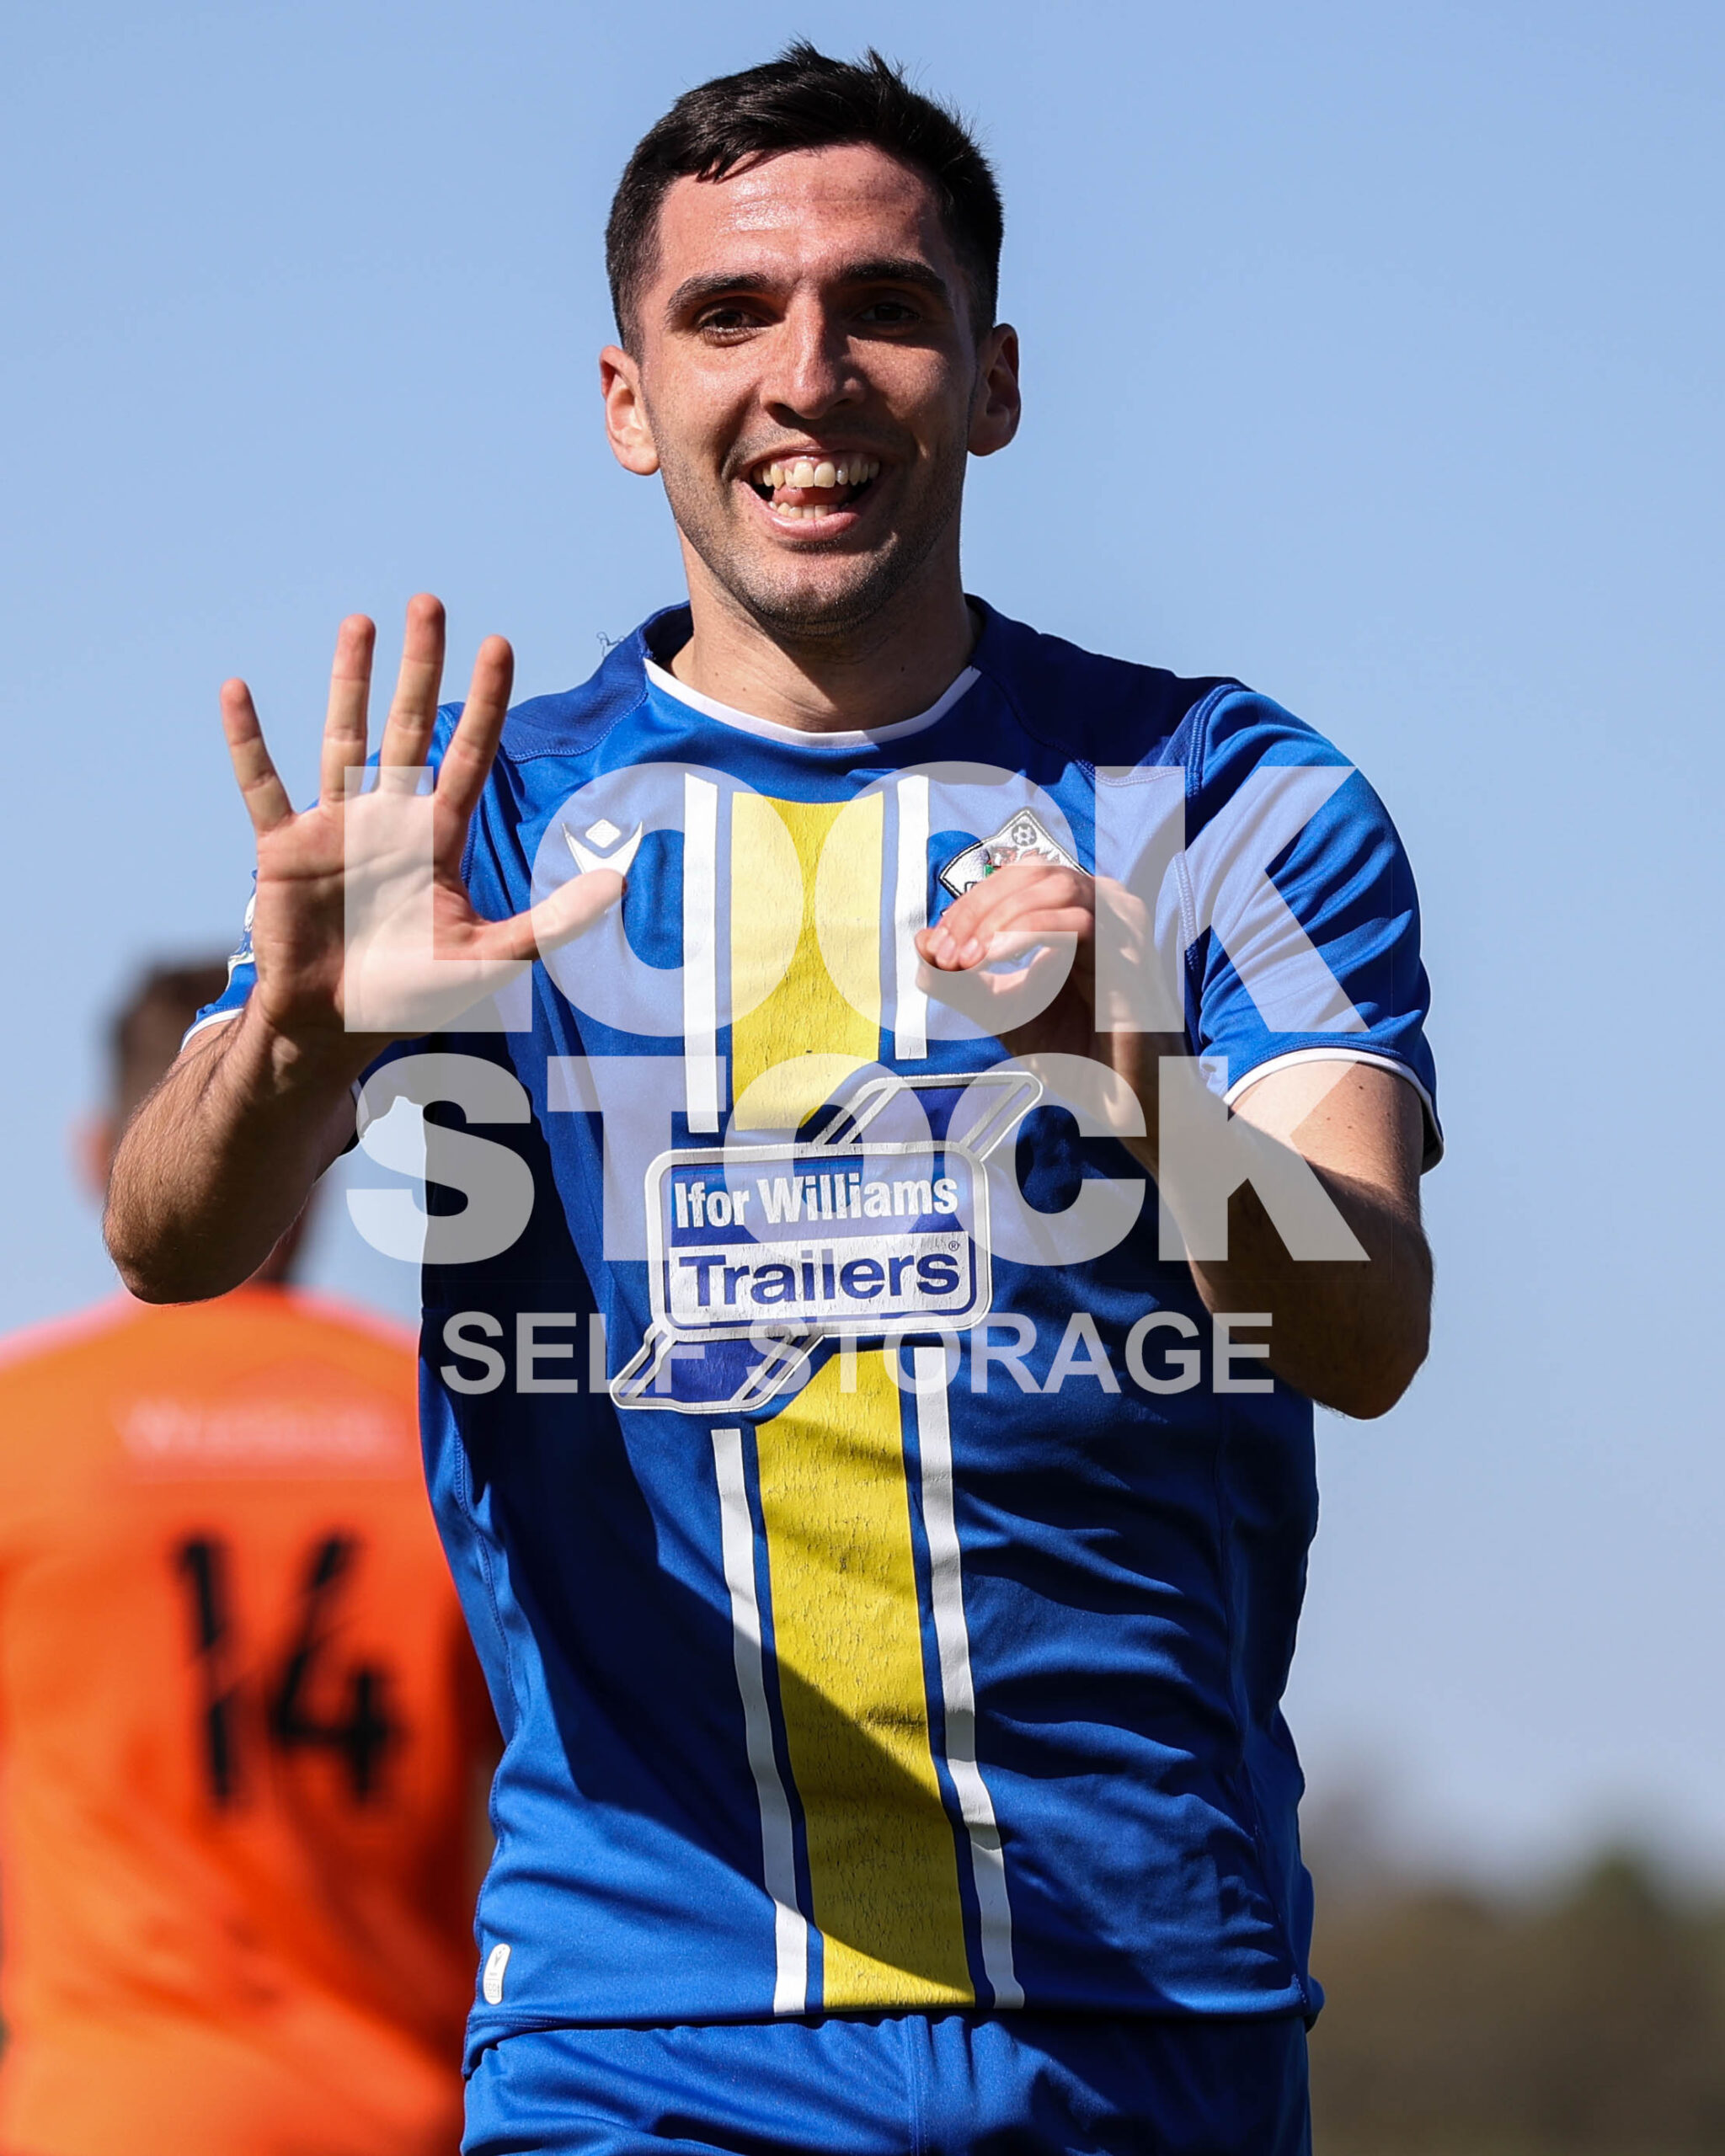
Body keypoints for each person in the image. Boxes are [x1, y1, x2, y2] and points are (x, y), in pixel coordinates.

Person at [106, 44, 1440, 2156]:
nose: (807, 378)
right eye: (729, 314)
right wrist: (294, 1039)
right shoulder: (485, 820)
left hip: (1139, 2002)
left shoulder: (1225, 797)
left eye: (881, 310)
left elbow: (1364, 1325)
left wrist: (1133, 1073)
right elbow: (168, 1239)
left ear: (993, 378)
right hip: (645, 2020)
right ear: (628, 398)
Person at [0, 960, 495, 2156]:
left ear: (99, 1157)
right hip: (411, 2113)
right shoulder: (444, 1424)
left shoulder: (25, 1428)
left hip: (104, 2113)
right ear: (315, 1163)